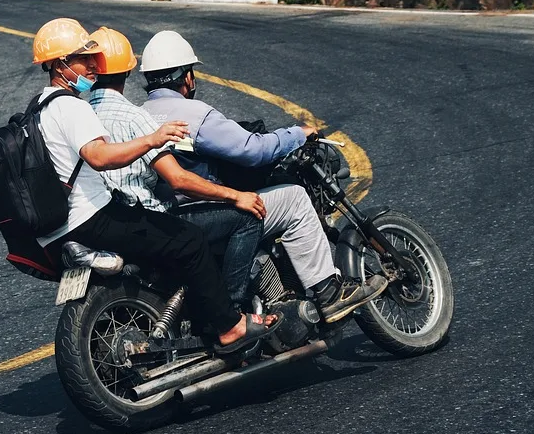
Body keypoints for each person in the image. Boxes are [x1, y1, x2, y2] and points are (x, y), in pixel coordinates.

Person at [31, 17, 278, 353]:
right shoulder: (73, 107)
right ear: (60, 64)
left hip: (60, 226)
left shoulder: (40, 108)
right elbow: (101, 156)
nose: (92, 64)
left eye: (94, 58)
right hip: (92, 217)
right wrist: (152, 139)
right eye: (83, 58)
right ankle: (230, 325)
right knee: (190, 240)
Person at [140, 30, 388, 323]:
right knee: (294, 198)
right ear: (186, 77)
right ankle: (329, 294)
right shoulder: (194, 114)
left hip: (166, 216)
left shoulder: (140, 114)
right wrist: (297, 134)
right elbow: (252, 150)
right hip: (203, 210)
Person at [85, 26, 266, 309]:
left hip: (100, 221)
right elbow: (178, 179)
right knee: (246, 219)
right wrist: (235, 195)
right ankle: (232, 314)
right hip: (146, 219)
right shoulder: (136, 117)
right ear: (128, 71)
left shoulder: (80, 114)